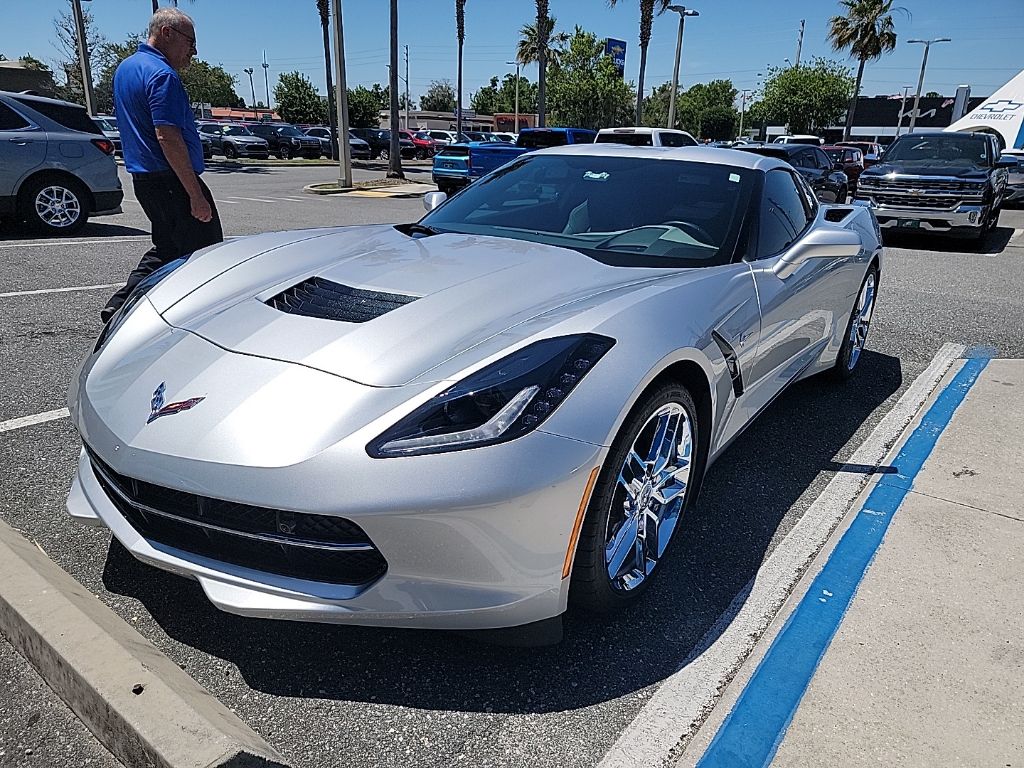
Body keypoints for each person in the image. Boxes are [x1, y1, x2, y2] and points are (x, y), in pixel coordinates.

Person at [101, 8, 222, 323]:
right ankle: (199, 321)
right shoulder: (162, 75)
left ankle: (122, 303)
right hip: (173, 181)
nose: (193, 51)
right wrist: (195, 194)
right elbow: (167, 136)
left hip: (146, 181)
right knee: (207, 256)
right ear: (167, 33)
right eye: (190, 42)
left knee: (167, 248)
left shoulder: (126, 69)